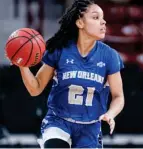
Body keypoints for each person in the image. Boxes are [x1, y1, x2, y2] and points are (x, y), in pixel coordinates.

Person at [17, 0, 125, 148]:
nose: (103, 22)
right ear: (80, 23)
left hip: (90, 127)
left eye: (103, 17)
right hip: (58, 121)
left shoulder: (110, 56)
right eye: (96, 17)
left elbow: (118, 96)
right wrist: (23, 66)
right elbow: (35, 89)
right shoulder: (59, 50)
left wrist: (110, 114)